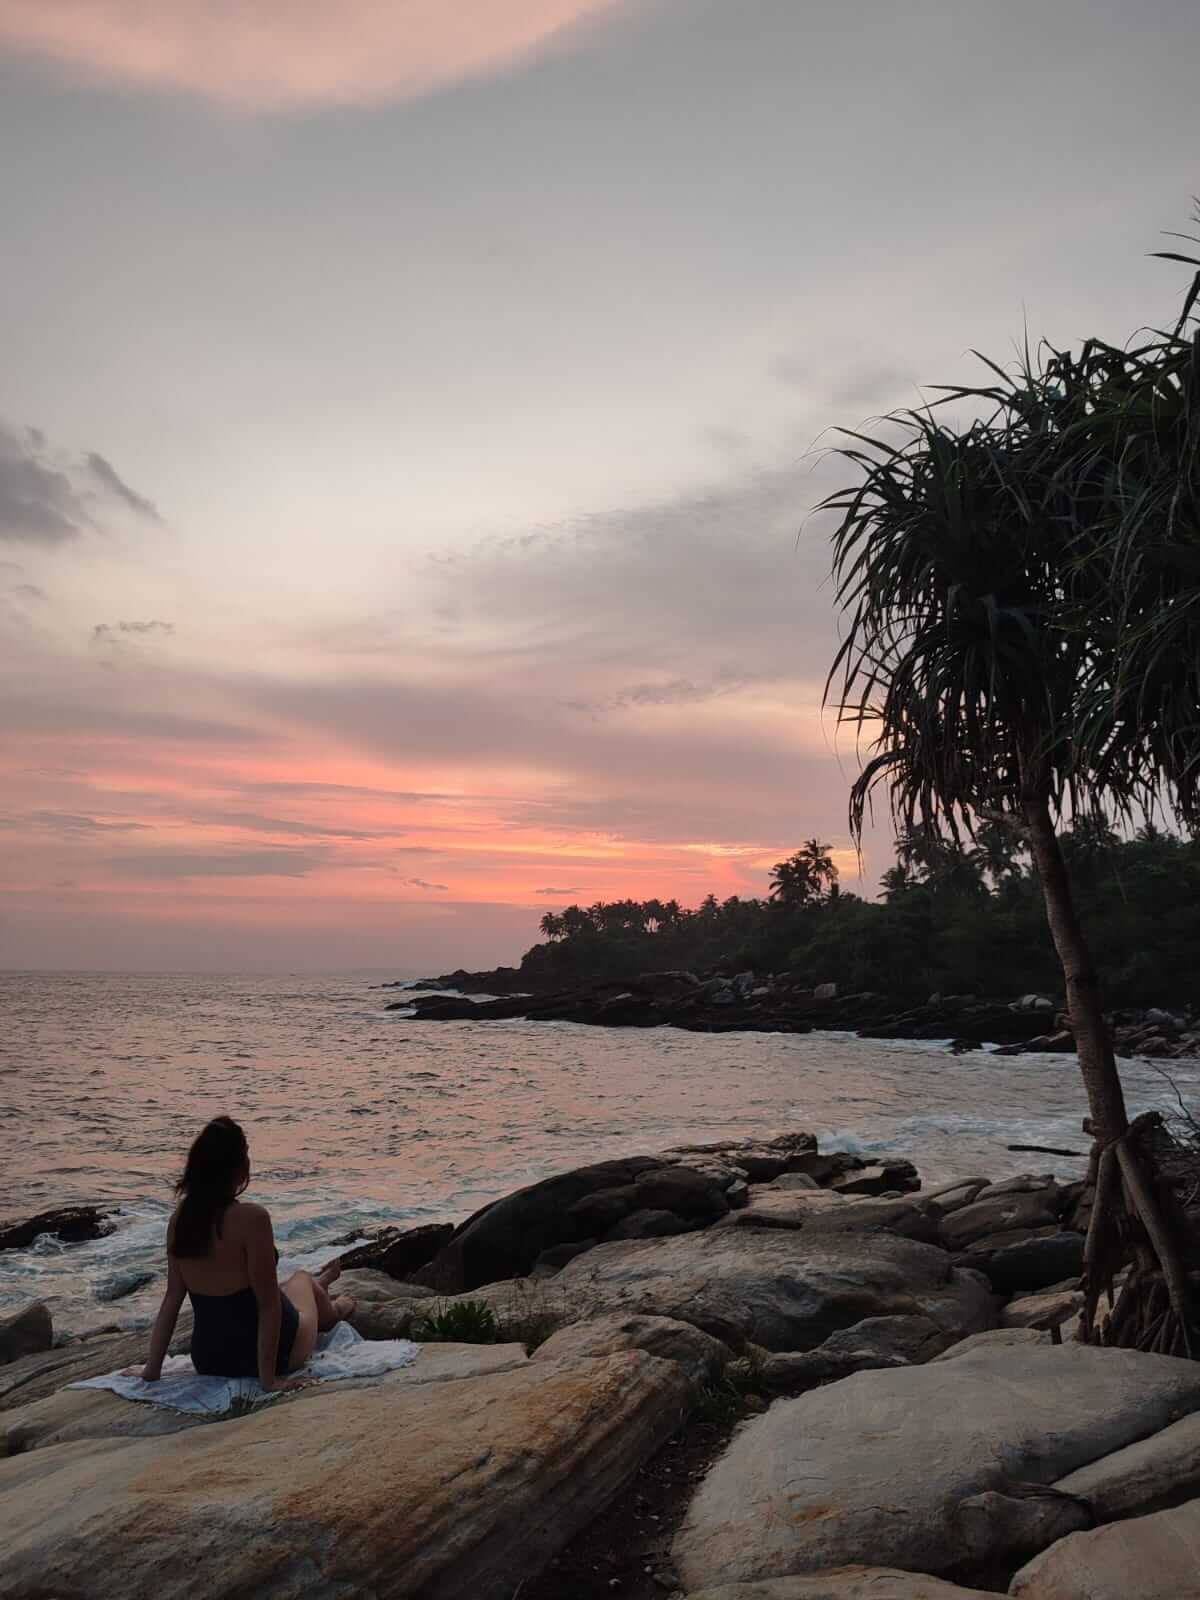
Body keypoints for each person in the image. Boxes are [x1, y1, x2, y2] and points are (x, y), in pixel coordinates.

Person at [130, 1115, 355, 1392]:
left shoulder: (181, 1220)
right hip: (278, 1353)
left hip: (210, 1359)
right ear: (238, 1169)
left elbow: (172, 1298)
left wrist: (152, 1370)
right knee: (301, 1279)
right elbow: (268, 1305)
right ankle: (336, 1307)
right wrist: (268, 1380)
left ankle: (321, 1286)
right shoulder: (253, 1219)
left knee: (287, 1288)